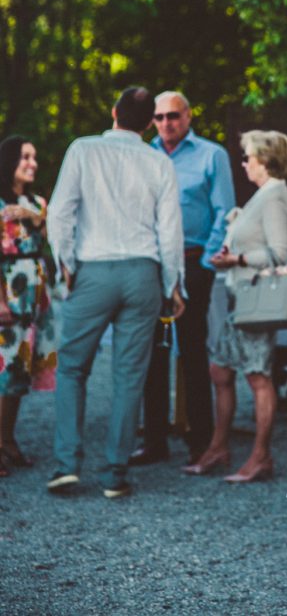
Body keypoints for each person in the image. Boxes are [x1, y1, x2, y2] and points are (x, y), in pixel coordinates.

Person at [46, 87, 185, 499]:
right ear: (149, 124)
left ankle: (67, 464)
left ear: (113, 113)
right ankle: (114, 474)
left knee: (72, 368)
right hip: (143, 274)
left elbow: (59, 213)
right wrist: (173, 285)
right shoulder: (159, 161)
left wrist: (65, 264)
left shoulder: (82, 150)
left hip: (93, 270)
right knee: (130, 375)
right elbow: (170, 231)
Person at [131, 91, 235, 467]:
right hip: (152, 263)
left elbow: (225, 211)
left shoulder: (211, 155)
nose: (166, 123)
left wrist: (206, 263)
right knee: (152, 352)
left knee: (193, 350)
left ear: (188, 115)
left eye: (173, 115)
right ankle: (154, 439)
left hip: (193, 262)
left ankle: (200, 438)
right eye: (159, 117)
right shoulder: (144, 154)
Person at [185, 130, 287, 483]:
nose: (244, 163)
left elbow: (278, 253)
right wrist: (231, 252)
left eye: (248, 157)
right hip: (241, 299)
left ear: (264, 159)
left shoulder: (274, 196)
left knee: (258, 377)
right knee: (220, 370)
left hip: (256, 300)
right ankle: (218, 447)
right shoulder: (263, 194)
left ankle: (261, 456)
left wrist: (237, 259)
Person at [0, 136, 57, 477]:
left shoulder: (37, 203)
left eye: (34, 157)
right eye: (25, 157)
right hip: (9, 288)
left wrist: (32, 216)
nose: (32, 163)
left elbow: (54, 237)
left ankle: (7, 439)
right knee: (3, 370)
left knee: (20, 371)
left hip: (34, 293)